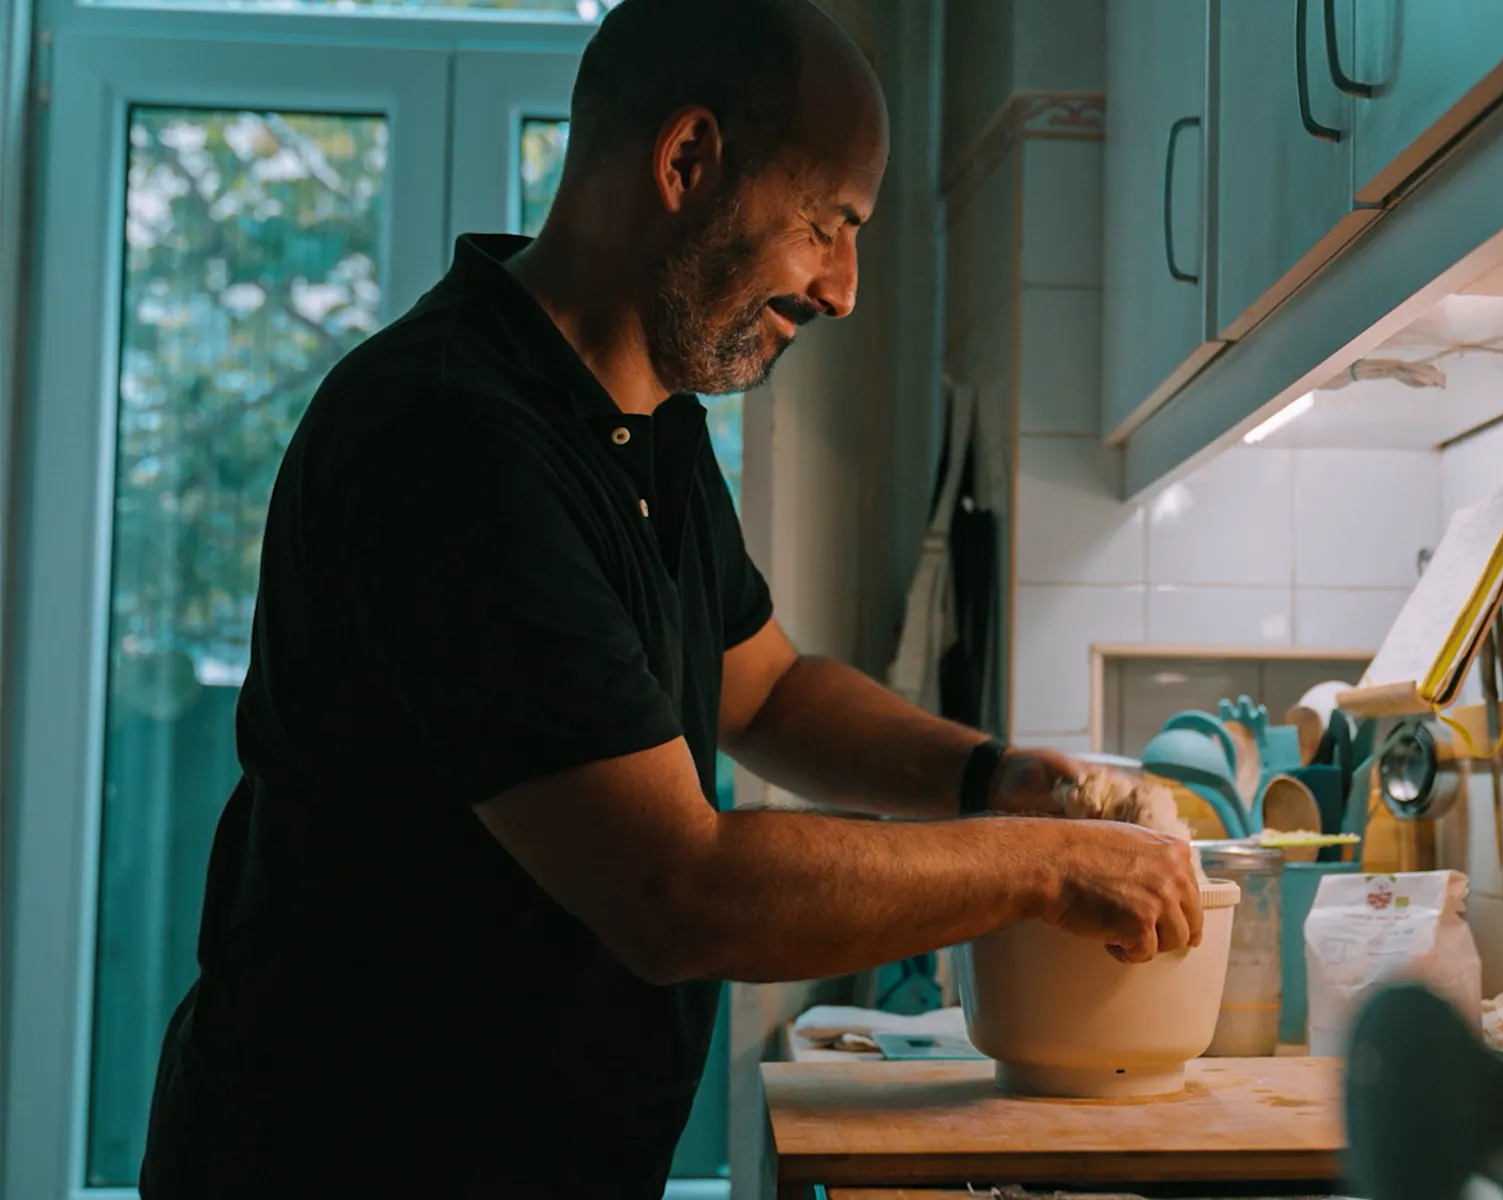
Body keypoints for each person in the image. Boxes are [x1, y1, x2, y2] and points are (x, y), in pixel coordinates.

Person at [137, 0, 1202, 1195]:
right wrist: (1044, 865)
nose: (845, 288)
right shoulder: (450, 439)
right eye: (828, 225)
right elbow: (676, 889)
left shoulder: (653, 428)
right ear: (689, 161)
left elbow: (774, 690)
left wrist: (999, 776)